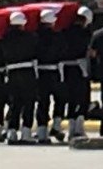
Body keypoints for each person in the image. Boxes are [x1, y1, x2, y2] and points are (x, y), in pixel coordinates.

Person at [3, 10, 38, 145]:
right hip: (27, 72)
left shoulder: (5, 38)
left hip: (12, 73)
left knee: (15, 103)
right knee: (28, 102)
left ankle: (12, 132)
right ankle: (26, 132)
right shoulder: (30, 37)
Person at [62, 6, 94, 140]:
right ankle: (79, 128)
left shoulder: (64, 31)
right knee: (83, 99)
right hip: (80, 69)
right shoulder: (85, 33)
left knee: (71, 100)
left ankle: (71, 129)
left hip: (66, 69)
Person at [34, 9, 65, 144]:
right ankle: (57, 125)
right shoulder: (58, 36)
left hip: (39, 72)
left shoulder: (35, 36)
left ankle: (42, 131)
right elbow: (63, 51)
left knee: (42, 102)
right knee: (61, 98)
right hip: (54, 71)